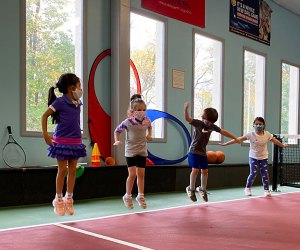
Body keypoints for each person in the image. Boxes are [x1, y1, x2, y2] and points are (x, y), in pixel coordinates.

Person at [41, 73, 86, 216]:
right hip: (61, 141)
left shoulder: (78, 103)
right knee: (62, 169)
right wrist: (46, 135)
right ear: (71, 87)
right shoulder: (60, 102)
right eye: (79, 86)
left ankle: (69, 198)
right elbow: (44, 116)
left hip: (75, 141)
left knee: (73, 170)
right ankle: (58, 199)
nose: (80, 89)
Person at [184, 102, 240, 202]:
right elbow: (188, 119)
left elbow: (223, 131)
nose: (210, 124)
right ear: (202, 117)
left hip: (202, 152)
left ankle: (202, 189)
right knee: (195, 170)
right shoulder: (199, 123)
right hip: (193, 151)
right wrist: (185, 110)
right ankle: (191, 189)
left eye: (212, 122)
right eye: (208, 121)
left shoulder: (212, 126)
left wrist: (235, 138)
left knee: (205, 171)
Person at [220, 117, 288, 197]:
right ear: (253, 125)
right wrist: (226, 144)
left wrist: (282, 145)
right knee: (253, 173)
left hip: (263, 157)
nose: (258, 125)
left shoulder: (267, 134)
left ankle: (266, 190)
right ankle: (247, 188)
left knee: (265, 173)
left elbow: (274, 140)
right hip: (253, 157)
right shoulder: (250, 134)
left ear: (264, 125)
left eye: (260, 124)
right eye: (256, 124)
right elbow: (238, 139)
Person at [114, 94, 152, 209]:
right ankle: (128, 196)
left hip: (142, 150)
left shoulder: (147, 120)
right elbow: (117, 130)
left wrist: (149, 135)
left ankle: (140, 196)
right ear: (133, 111)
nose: (142, 112)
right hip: (130, 151)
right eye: (139, 110)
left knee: (141, 174)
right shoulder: (128, 122)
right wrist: (117, 140)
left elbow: (149, 127)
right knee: (132, 174)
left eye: (144, 110)